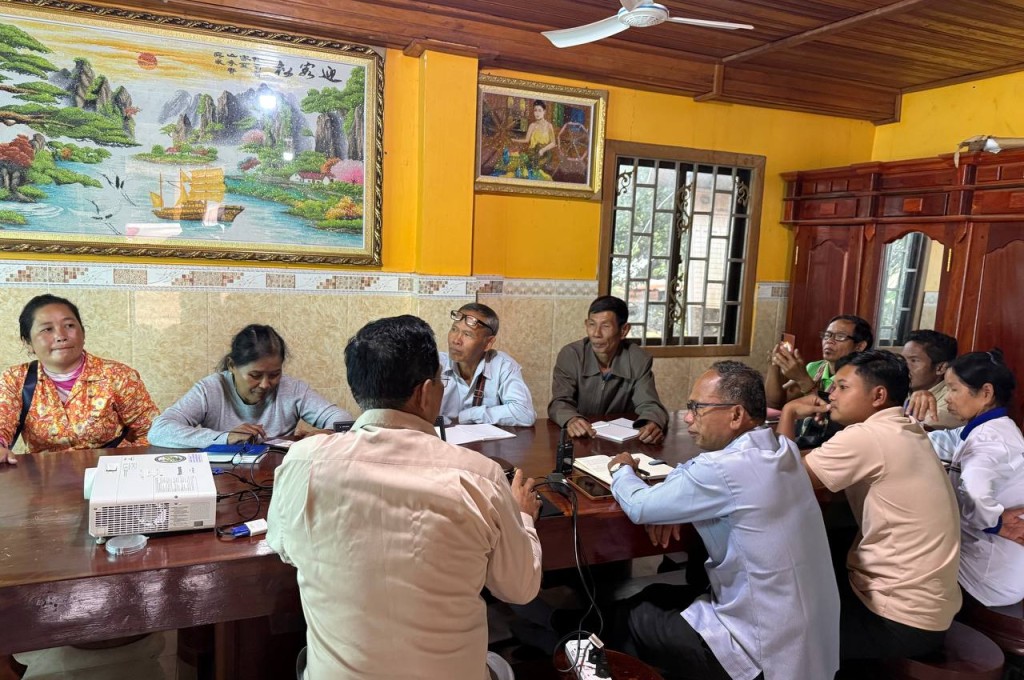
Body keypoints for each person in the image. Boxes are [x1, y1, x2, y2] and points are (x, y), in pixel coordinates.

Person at [267, 315, 542, 679]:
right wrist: (523, 518)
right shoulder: (480, 477)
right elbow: (519, 588)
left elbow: (283, 546)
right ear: (426, 392)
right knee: (501, 666)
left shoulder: (303, 462)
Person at [606, 361, 839, 680]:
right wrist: (677, 503)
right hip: (810, 643)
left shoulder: (722, 470)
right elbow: (699, 481)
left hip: (760, 652)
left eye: (697, 408)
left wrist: (622, 468)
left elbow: (640, 506)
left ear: (736, 415)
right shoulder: (783, 449)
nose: (688, 418)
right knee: (657, 594)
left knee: (634, 617)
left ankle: (564, 645)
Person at [779, 350, 961, 661]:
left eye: (842, 387)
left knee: (777, 625)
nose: (831, 394)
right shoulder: (904, 426)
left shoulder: (869, 436)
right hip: (928, 609)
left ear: (878, 396)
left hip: (895, 618)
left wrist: (788, 413)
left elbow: (781, 477)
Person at [0, 294, 158, 463]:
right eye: (47, 329)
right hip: (44, 476)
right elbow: (3, 420)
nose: (61, 335)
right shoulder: (16, 379)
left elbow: (152, 431)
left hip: (109, 471)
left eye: (69, 325)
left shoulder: (118, 375)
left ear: (83, 333)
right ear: (28, 342)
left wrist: (128, 463)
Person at [925, 349, 1024, 607]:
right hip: (991, 564)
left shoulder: (991, 441)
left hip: (988, 578)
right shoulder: (985, 429)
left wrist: (994, 522)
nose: (947, 398)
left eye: (953, 389)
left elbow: (975, 492)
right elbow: (938, 441)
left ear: (986, 393)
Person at [148, 324, 352, 448]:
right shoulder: (211, 389)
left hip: (277, 477)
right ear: (232, 366)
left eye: (275, 374)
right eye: (255, 375)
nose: (265, 384)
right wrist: (225, 438)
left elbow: (344, 420)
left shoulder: (293, 389)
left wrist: (327, 433)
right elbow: (160, 430)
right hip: (225, 480)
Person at [548, 295, 668, 444]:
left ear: (624, 330)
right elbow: (559, 402)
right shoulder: (572, 355)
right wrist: (572, 419)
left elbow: (650, 404)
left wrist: (652, 423)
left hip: (621, 443)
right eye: (592, 324)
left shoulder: (638, 360)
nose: (596, 334)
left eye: (605, 326)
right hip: (580, 440)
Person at [440, 303, 536, 426]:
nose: (456, 340)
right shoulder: (436, 364)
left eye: (467, 334)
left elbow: (524, 413)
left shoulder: (503, 366)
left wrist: (466, 416)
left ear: (488, 343)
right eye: (454, 329)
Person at [765, 314, 872, 408]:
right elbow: (775, 403)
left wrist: (803, 379)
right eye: (827, 335)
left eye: (840, 336)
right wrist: (774, 365)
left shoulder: (861, 376)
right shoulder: (814, 368)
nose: (829, 341)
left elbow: (829, 415)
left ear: (859, 346)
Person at [902, 329, 962, 428]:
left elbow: (912, 431)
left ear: (940, 368)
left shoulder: (952, 401)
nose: (904, 366)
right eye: (903, 360)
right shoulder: (899, 387)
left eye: (914, 360)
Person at [514, 100, 557, 180]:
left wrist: (543, 150)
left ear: (544, 112)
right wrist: (514, 140)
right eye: (535, 110)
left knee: (536, 170)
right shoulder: (532, 125)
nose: (537, 113)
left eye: (539, 110)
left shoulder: (549, 126)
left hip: (544, 153)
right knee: (524, 168)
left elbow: (553, 143)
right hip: (532, 152)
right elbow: (526, 140)